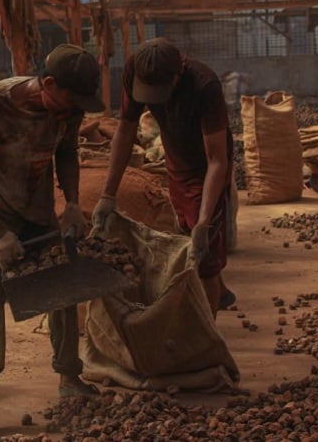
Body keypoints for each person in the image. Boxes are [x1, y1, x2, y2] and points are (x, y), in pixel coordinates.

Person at [0, 44, 103, 437]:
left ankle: (69, 379)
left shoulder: (69, 110)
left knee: (61, 289)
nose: (74, 111)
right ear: (49, 83)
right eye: (71, 101)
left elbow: (68, 153)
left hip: (38, 210)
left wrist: (72, 203)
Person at [90, 37, 235, 317]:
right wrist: (108, 195)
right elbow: (125, 129)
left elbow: (217, 159)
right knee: (183, 226)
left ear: (179, 72)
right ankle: (219, 286)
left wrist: (205, 222)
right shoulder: (135, 70)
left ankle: (207, 335)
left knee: (202, 245)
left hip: (207, 165)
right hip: (175, 158)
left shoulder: (204, 85)